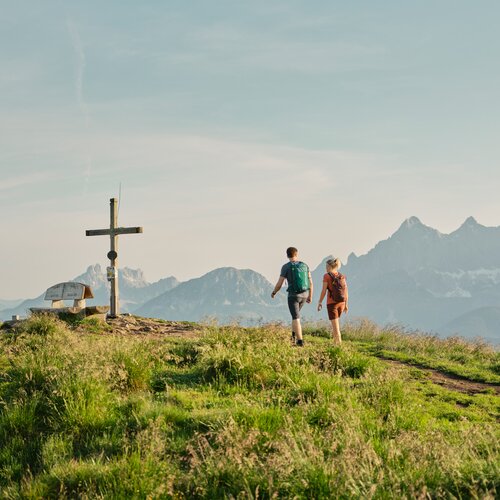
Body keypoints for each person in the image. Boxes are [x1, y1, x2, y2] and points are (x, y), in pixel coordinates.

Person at [271, 247, 313, 347]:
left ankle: (300, 341)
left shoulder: (286, 267)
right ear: (296, 254)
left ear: (287, 255)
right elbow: (311, 283)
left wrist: (274, 292)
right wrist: (310, 296)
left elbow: (279, 283)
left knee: (296, 317)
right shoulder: (304, 265)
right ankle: (293, 336)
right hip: (304, 294)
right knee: (295, 316)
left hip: (293, 296)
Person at [317, 258, 348, 345]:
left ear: (330, 266)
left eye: (326, 266)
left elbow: (323, 291)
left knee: (336, 327)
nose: (325, 268)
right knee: (336, 324)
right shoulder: (341, 276)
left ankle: (338, 346)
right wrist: (346, 304)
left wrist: (320, 302)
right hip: (341, 303)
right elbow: (346, 291)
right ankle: (336, 344)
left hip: (332, 304)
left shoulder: (326, 276)